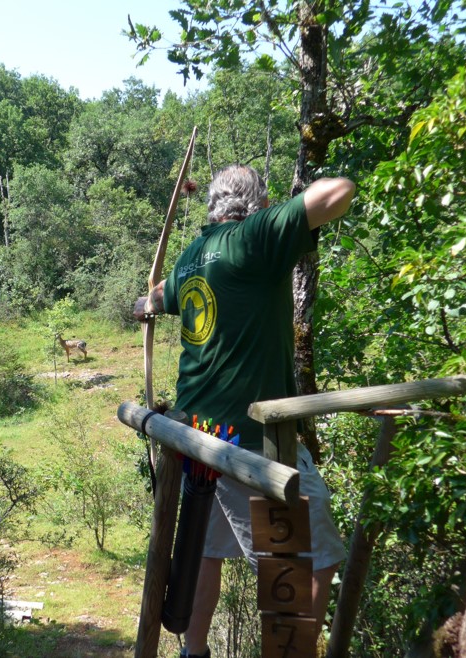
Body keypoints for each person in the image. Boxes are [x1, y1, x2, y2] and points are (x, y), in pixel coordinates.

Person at [133, 165, 355, 658]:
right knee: (315, 557)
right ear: (255, 204)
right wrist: (280, 216)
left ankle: (195, 653)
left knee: (205, 550)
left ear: (213, 206)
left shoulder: (192, 258)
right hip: (248, 444)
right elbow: (339, 191)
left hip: (194, 437)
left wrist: (143, 304)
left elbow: (156, 299)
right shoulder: (253, 238)